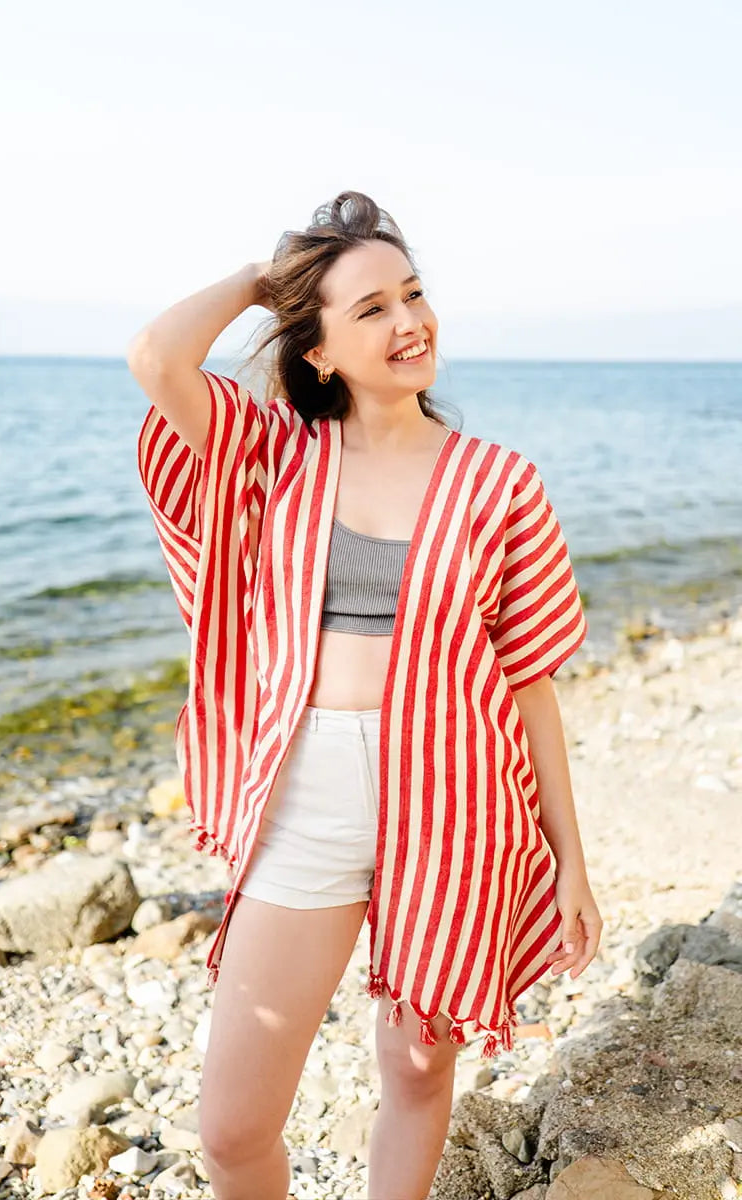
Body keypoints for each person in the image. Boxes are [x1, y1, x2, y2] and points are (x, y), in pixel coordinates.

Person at [128, 190, 603, 1200]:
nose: (408, 322)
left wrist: (569, 860)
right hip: (307, 800)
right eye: (372, 309)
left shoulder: (498, 483)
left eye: (414, 294)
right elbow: (158, 360)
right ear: (316, 351)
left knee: (417, 1067)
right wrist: (274, 282)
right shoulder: (271, 455)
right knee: (230, 1128)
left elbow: (527, 687)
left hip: (461, 807)